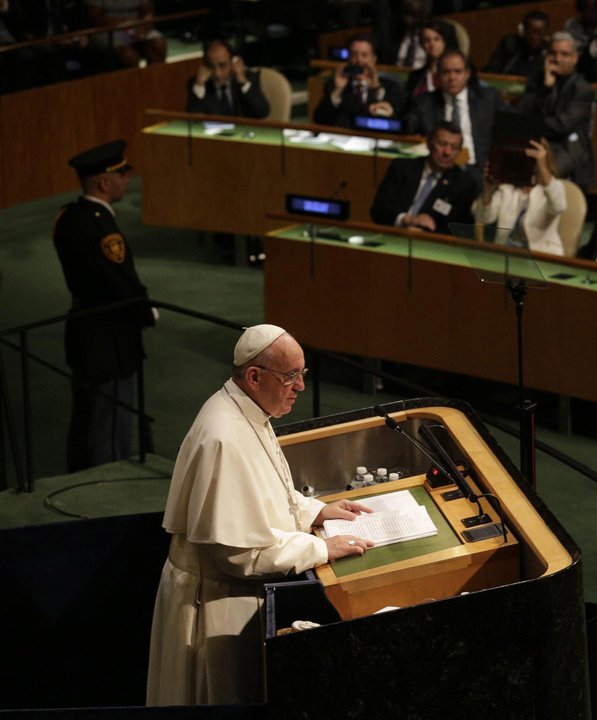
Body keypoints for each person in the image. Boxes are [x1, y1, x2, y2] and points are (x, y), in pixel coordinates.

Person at [146, 325, 374, 705]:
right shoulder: (223, 435)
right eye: (291, 377)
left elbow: (270, 494)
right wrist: (321, 550)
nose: (300, 387)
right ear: (254, 377)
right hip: (213, 605)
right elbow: (239, 555)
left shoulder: (247, 411)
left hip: (232, 596)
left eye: (302, 375)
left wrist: (316, 511)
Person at [53, 140, 155, 473]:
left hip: (83, 330)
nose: (127, 180)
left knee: (87, 419)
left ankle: (83, 481)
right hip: (109, 339)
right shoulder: (100, 226)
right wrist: (146, 312)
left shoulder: (68, 217)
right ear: (103, 182)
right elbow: (119, 281)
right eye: (121, 175)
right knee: (109, 426)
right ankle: (104, 494)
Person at [516, 32, 596, 191]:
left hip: (566, 145)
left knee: (543, 173)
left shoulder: (582, 90)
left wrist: (530, 124)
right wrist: (545, 88)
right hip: (536, 141)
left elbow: (561, 125)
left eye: (564, 54)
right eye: (553, 53)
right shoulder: (538, 80)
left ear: (575, 58)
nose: (557, 59)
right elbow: (521, 111)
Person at [370, 121, 480, 235]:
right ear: (428, 143)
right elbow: (378, 210)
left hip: (431, 246)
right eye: (442, 144)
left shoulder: (463, 183)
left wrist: (422, 233)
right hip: (391, 235)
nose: (447, 152)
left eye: (454, 147)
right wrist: (406, 220)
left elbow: (456, 229)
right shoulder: (403, 168)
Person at [403, 50, 505, 169]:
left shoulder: (488, 100)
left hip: (479, 169)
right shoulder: (424, 103)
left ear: (467, 74)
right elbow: (407, 128)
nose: (452, 77)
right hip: (440, 169)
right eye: (446, 72)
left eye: (457, 72)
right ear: (438, 75)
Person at [473, 139, 569, 255]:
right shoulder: (508, 189)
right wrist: (488, 191)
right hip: (506, 255)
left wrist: (543, 169)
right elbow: (483, 218)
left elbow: (559, 206)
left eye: (532, 161)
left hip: (541, 256)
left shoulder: (551, 188)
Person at [312, 34, 406, 129]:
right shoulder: (335, 84)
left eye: (364, 55)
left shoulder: (391, 86)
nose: (359, 60)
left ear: (374, 59)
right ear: (348, 58)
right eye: (354, 54)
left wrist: (376, 88)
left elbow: (396, 121)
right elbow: (319, 119)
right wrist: (338, 91)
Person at [185, 39, 270, 119]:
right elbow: (191, 122)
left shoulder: (249, 78)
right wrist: (199, 86)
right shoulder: (199, 84)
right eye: (211, 66)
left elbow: (262, 112)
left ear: (233, 61)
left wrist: (243, 82)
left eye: (222, 65)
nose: (217, 73)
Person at [84, 0, 165, 67]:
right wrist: (128, 24)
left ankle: (154, 82)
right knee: (128, 56)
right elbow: (95, 17)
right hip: (110, 30)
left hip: (136, 27)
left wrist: (143, 28)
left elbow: (147, 12)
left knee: (159, 44)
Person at [401, 20, 458, 106]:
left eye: (436, 39)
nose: (432, 44)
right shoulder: (415, 77)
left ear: (444, 42)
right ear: (422, 44)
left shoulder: (455, 75)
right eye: (427, 40)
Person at [483, 10, 549, 77]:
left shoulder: (548, 50)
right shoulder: (510, 44)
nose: (534, 37)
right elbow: (490, 71)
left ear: (545, 32)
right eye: (531, 31)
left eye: (539, 32)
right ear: (524, 30)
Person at [383, 0, 430, 67]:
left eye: (414, 16)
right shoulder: (393, 34)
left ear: (423, 16)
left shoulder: (428, 36)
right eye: (406, 14)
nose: (408, 20)